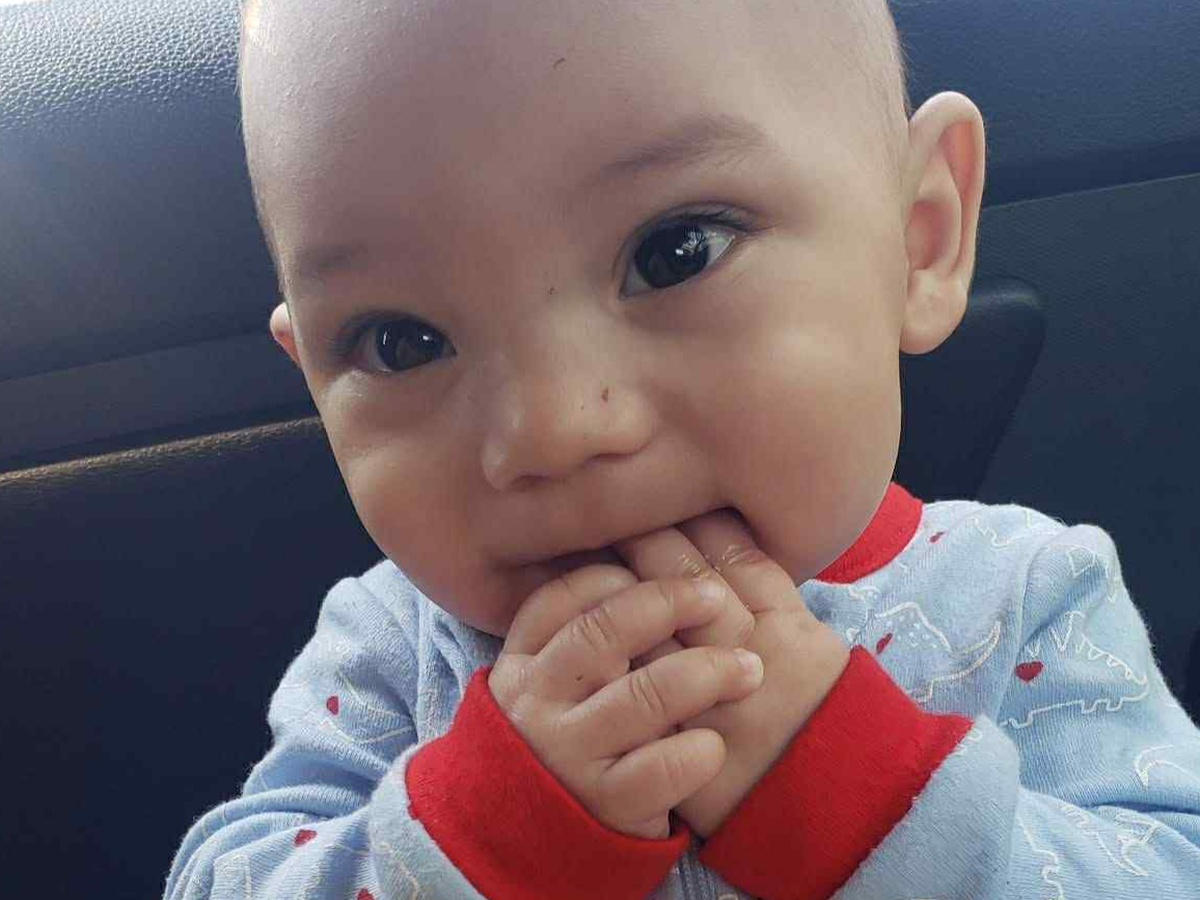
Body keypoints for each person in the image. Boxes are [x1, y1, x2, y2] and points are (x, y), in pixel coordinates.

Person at [164, 0, 1200, 897]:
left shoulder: (1023, 596)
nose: (550, 430)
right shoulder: (389, 653)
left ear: (919, 236)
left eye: (675, 252)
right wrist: (481, 838)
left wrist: (876, 802)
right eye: (402, 342)